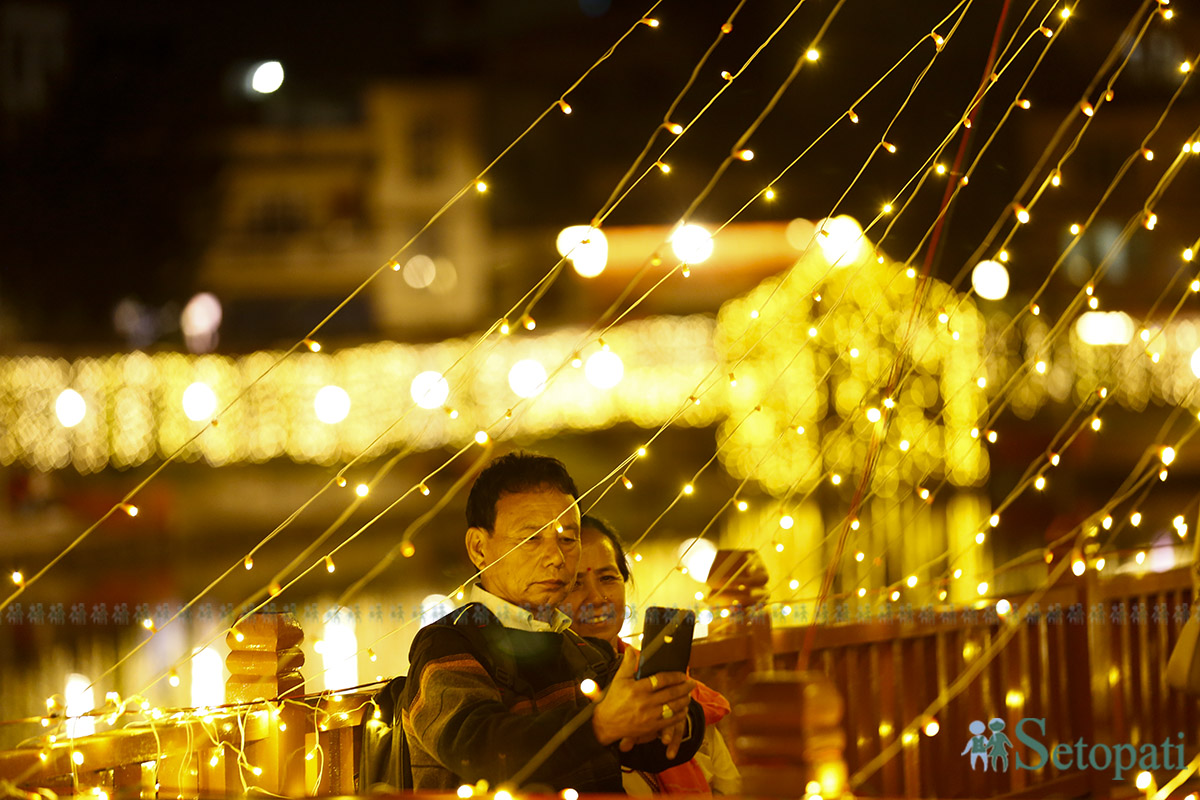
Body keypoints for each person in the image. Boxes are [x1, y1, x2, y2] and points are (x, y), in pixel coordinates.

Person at [400, 452, 706, 792]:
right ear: (478, 549)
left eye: (567, 538)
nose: (556, 558)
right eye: (531, 538)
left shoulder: (582, 648)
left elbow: (652, 749)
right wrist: (600, 724)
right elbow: (483, 752)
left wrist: (674, 713)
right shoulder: (448, 644)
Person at [564, 515, 741, 794]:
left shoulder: (678, 692)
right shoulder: (552, 701)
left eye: (608, 578)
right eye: (575, 583)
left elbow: (731, 790)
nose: (597, 598)